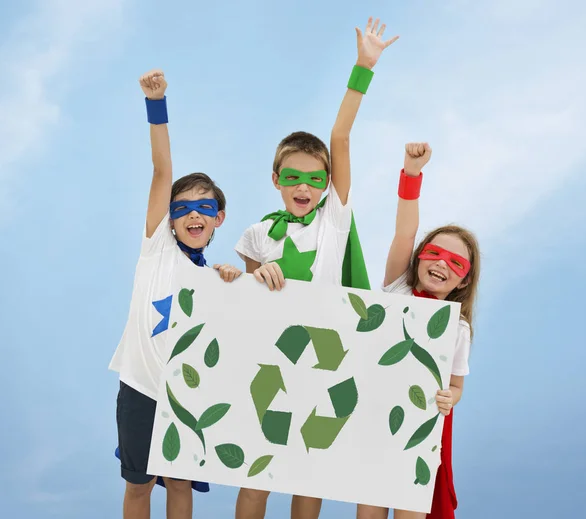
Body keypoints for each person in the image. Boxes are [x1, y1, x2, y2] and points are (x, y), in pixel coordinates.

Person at [234, 16, 399, 519]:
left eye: (314, 178)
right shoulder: (258, 233)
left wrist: (362, 68)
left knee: (311, 471)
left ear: (327, 183)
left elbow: (340, 136)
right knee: (259, 470)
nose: (303, 187)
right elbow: (240, 300)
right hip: (273, 355)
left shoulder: (334, 218)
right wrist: (254, 275)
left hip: (327, 354)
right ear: (275, 179)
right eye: (292, 177)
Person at [109, 69, 242, 519]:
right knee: (140, 486)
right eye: (181, 208)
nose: (193, 214)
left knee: (181, 483)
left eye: (204, 207)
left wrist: (236, 279)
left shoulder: (219, 277)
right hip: (140, 387)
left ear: (218, 218)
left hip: (188, 391)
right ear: (168, 218)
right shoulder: (156, 248)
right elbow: (162, 169)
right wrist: (157, 105)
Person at [356, 143, 481, 519]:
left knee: (412, 510)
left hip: (421, 429)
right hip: (377, 420)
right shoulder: (398, 288)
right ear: (419, 256)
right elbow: (404, 231)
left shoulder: (457, 328)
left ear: (464, 280)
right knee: (370, 508)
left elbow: (456, 386)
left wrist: (449, 398)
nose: (442, 264)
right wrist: (412, 174)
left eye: (455, 263)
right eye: (435, 253)